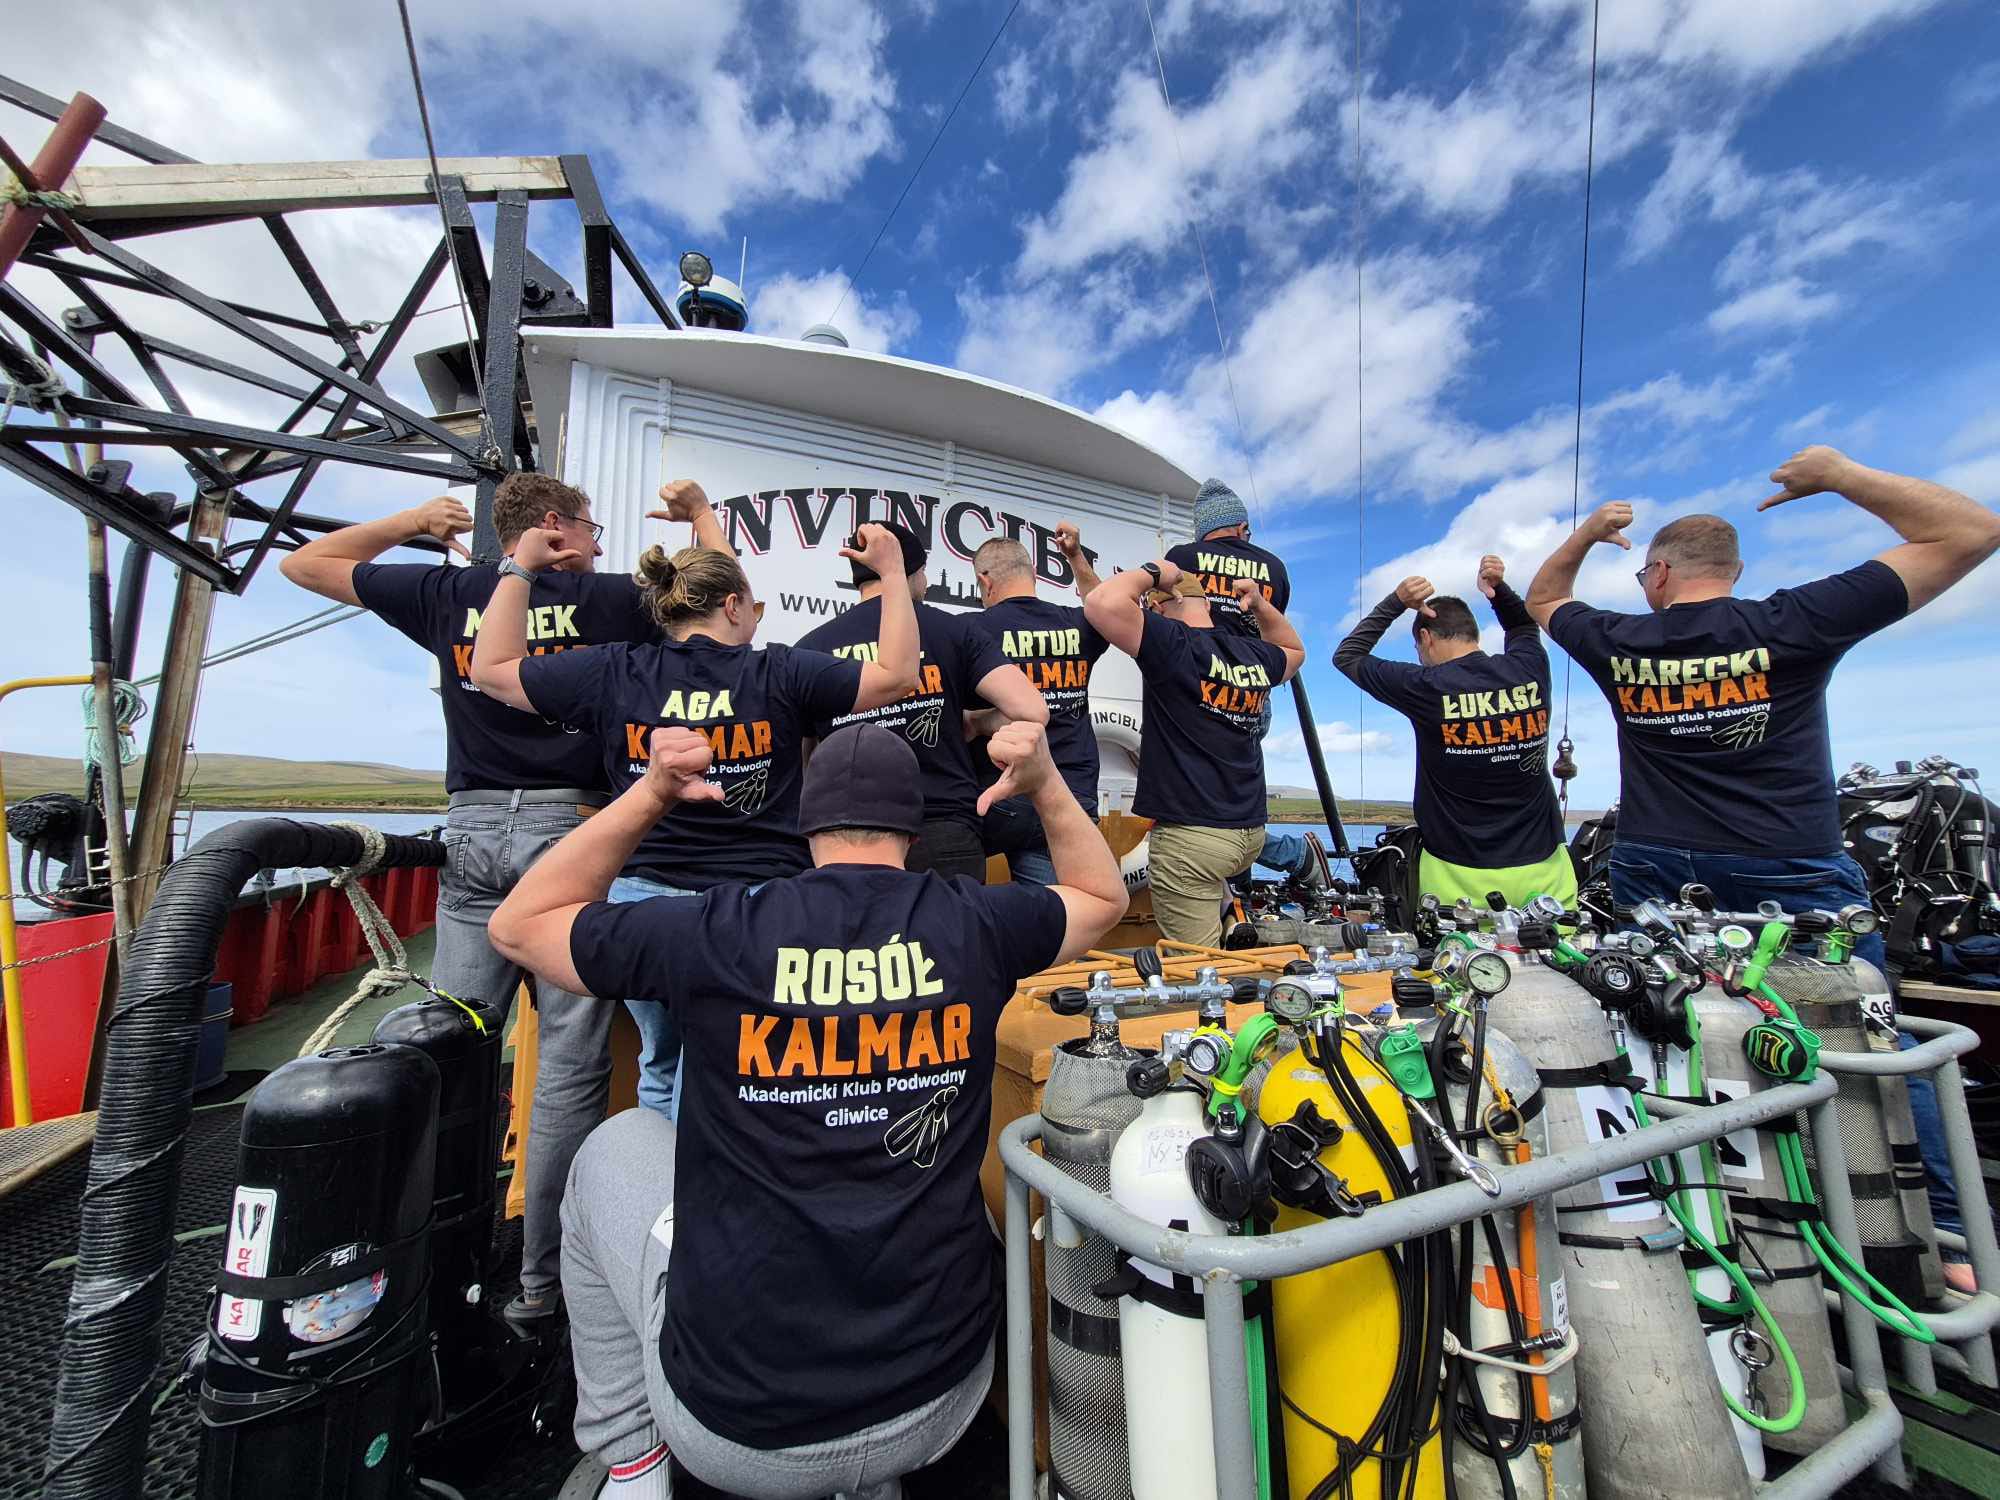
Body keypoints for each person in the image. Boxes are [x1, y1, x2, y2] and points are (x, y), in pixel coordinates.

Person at [486, 719, 1127, 1500]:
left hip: (738, 1431)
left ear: (806, 824)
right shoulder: (977, 921)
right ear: (913, 827)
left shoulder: (717, 928)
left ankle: (633, 1467)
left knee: (612, 1146)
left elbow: (518, 926)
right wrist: (1045, 781)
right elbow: (1102, 896)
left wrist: (652, 792)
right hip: (941, 1404)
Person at [1527, 445, 2000, 1290]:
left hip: (1657, 872)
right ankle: (1944, 1240)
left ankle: (1692, 1210)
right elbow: (1970, 533)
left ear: (1658, 573)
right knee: (1863, 1044)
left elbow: (1543, 599)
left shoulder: (1623, 640)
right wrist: (1845, 477)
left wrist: (1588, 533)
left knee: (1659, 1031)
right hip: (1791, 869)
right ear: (1733, 571)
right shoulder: (1794, 621)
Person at [279, 472, 658, 1334]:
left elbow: (305, 565)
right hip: (571, 834)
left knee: (449, 1049)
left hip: (473, 831)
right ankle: (541, 1282)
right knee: (569, 1066)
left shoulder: (451, 593)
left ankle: (414, 1267)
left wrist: (411, 520)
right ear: (557, 525)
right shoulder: (610, 600)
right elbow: (711, 608)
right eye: (590, 527)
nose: (596, 542)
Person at [470, 482, 920, 1129]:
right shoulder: (777, 672)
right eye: (751, 606)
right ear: (732, 606)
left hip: (642, 906)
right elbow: (899, 675)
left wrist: (518, 569)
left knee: (662, 1062)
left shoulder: (616, 670)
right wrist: (892, 574)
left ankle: (661, 1186)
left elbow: (491, 669)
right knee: (729, 1064)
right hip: (755, 907)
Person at [796, 520, 1048, 879]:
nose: (926, 583)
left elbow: (808, 759)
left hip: (847, 835)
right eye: (924, 572)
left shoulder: (811, 648)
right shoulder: (954, 630)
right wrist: (978, 723)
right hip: (943, 828)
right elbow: (1032, 710)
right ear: (910, 572)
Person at [1333, 554, 1577, 909]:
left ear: (1425, 637)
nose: (1419, 656)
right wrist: (1498, 591)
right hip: (1545, 873)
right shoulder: (1529, 669)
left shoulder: (1426, 686)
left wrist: (1397, 602)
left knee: (1452, 947)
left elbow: (1348, 656)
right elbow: (1523, 626)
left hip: (1455, 877)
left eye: (1417, 648)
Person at [1085, 558, 1306, 947]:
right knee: (1212, 957)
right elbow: (1293, 650)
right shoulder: (1252, 654)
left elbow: (1102, 603)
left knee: (1197, 969)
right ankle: (1231, 924)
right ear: (1205, 604)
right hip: (1248, 833)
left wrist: (1155, 572)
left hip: (1192, 839)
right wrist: (1260, 605)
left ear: (1158, 607)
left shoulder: (1172, 643)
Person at [1166, 477, 1332, 892]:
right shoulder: (1273, 567)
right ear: (1241, 527)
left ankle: (1277, 863)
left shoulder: (1182, 557)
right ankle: (1246, 884)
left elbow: (1164, 610)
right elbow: (1273, 629)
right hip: (1252, 689)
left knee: (1199, 797)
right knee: (1236, 792)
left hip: (1193, 686)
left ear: (1203, 529)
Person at [966, 524, 1109, 884]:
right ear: (1032, 573)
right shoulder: (1076, 624)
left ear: (984, 581)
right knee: (1057, 911)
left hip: (1001, 795)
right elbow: (1105, 609)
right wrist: (1075, 557)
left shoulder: (971, 631)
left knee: (962, 902)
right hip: (1070, 793)